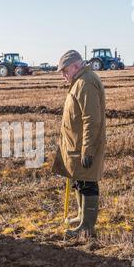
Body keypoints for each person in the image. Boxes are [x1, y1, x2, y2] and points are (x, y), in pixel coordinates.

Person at [53, 50, 107, 238]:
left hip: (83, 146)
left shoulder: (85, 83)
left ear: (76, 67)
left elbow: (91, 119)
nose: (63, 75)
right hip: (76, 145)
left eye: (65, 71)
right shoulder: (80, 82)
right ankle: (81, 217)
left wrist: (87, 149)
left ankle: (87, 227)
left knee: (88, 183)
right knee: (79, 181)